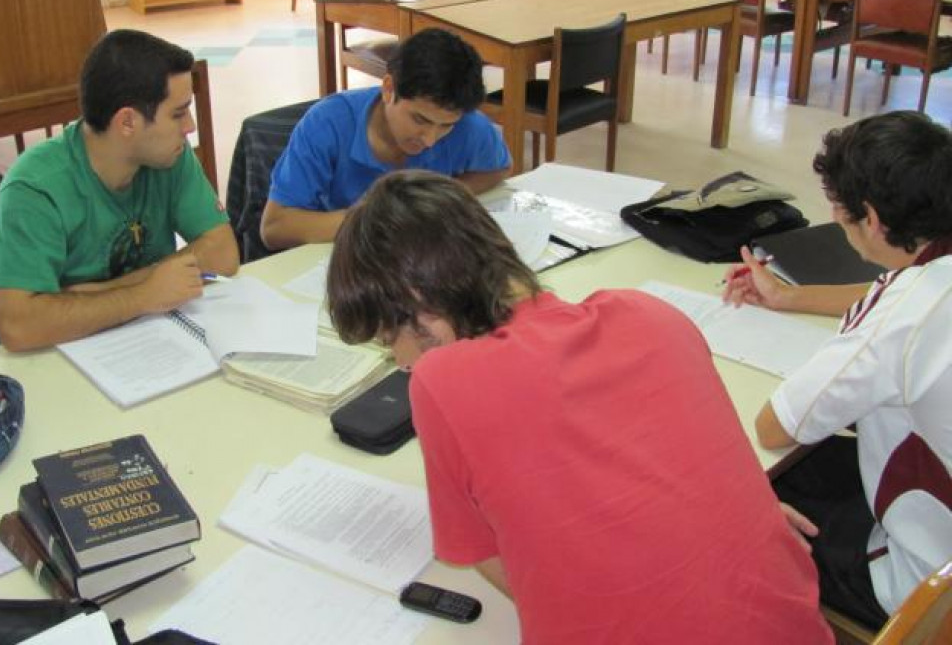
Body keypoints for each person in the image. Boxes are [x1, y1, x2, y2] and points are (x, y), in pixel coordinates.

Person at [326, 170, 832, 644]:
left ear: (423, 305)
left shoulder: (443, 380)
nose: (399, 361)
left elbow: (484, 555)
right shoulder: (650, 314)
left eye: (390, 339)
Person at [723, 111, 952, 629]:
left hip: (921, 584)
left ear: (869, 218)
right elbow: (898, 294)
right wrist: (791, 297)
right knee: (815, 462)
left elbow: (775, 424)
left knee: (740, 501)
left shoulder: (907, 311)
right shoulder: (932, 275)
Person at [0, 29, 239, 352]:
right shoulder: (33, 188)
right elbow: (18, 326)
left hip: (131, 338)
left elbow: (223, 252)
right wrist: (145, 294)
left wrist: (88, 295)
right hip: (32, 362)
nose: (189, 126)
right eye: (177, 113)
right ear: (127, 122)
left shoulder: (169, 155)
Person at [260, 28, 511, 248]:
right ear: (389, 88)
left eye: (445, 126)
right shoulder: (328, 124)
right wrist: (383, 218)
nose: (430, 139)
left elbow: (497, 169)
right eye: (419, 120)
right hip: (341, 258)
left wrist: (441, 198)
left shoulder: (467, 124)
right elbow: (274, 228)